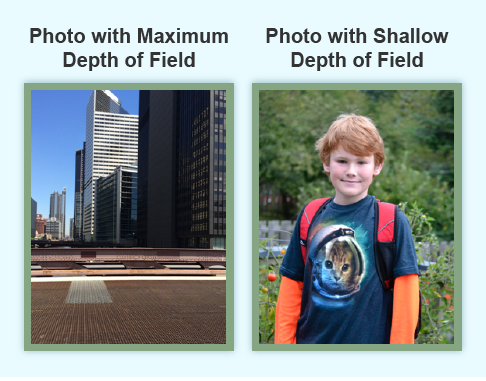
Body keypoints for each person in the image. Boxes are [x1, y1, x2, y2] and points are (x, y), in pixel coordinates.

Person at [275, 114, 420, 344]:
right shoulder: (310, 214)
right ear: (326, 162)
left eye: (361, 162)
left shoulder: (390, 220)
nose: (351, 171)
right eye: (342, 161)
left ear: (377, 166)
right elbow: (292, 286)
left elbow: (406, 294)